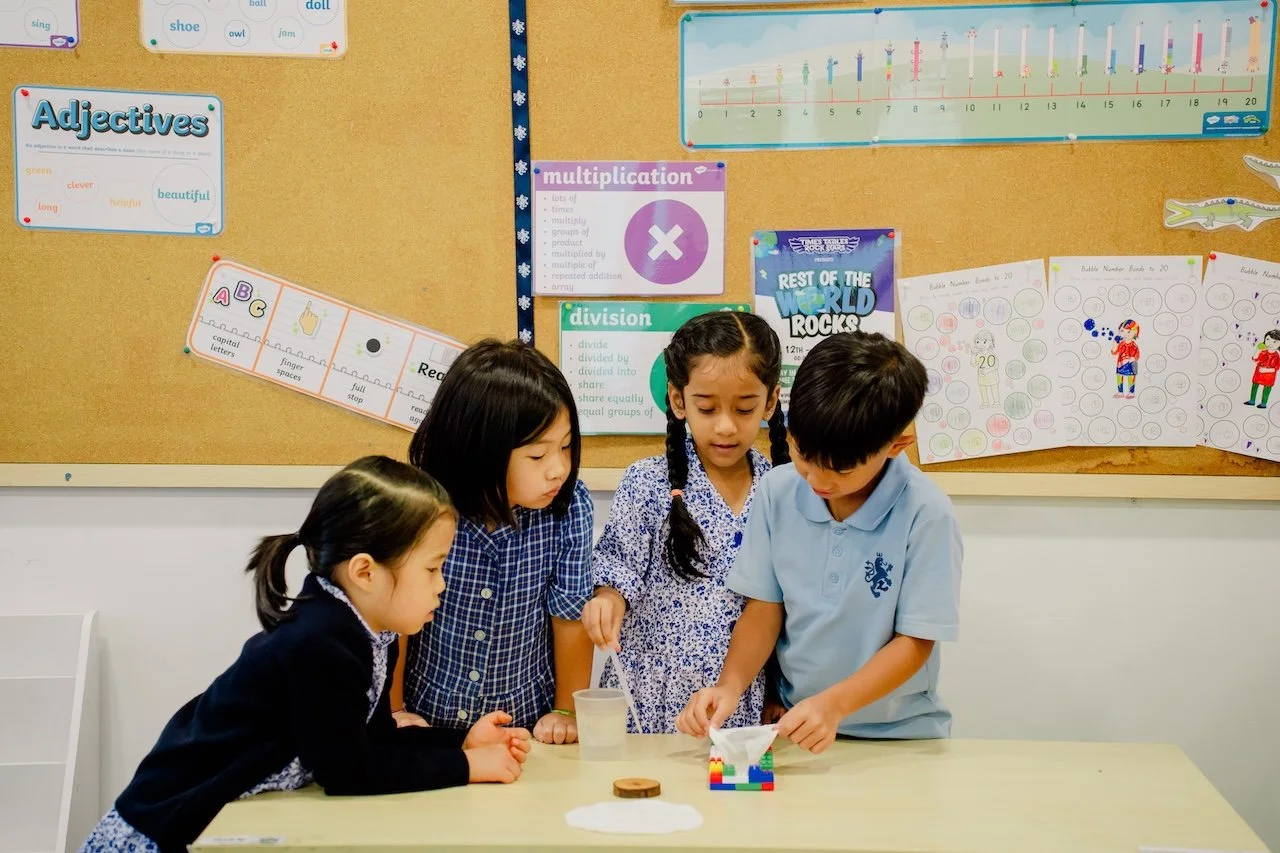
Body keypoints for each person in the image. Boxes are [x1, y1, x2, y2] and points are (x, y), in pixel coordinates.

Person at [81, 457, 529, 853]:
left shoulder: (370, 632)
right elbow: (349, 772)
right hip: (168, 826)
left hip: (221, 819)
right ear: (365, 572)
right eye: (432, 568)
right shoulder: (320, 642)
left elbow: (373, 740)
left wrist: (461, 740)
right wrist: (465, 766)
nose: (442, 585)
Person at [677, 332, 963, 754]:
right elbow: (764, 609)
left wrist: (835, 705)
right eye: (803, 456)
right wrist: (730, 685)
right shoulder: (777, 491)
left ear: (895, 446)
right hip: (796, 730)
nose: (817, 480)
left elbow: (916, 641)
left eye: (841, 470)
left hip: (900, 736)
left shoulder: (927, 513)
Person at [583, 312, 788, 733]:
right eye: (706, 408)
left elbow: (780, 607)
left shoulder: (781, 490)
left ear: (770, 402)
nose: (726, 426)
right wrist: (608, 601)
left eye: (745, 408)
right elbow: (617, 569)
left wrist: (774, 692)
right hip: (647, 698)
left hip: (734, 700)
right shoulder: (647, 482)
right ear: (678, 401)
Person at [394, 340, 594, 745]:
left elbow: (570, 616)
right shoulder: (418, 506)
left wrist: (566, 712)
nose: (558, 469)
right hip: (428, 717)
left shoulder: (569, 508)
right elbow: (392, 621)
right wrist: (394, 709)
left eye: (566, 447)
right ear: (479, 450)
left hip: (525, 722)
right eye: (537, 456)